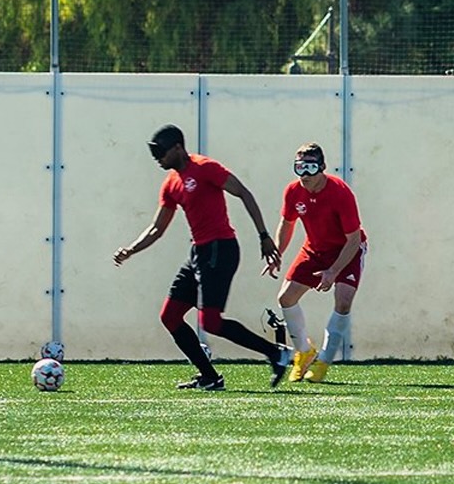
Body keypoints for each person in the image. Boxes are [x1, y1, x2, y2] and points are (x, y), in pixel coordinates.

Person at [113, 123, 291, 389]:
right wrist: (131, 249)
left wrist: (264, 235)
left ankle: (277, 353)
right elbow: (157, 228)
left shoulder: (205, 168)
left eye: (161, 153)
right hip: (198, 252)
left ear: (177, 148)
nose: (158, 159)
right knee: (170, 316)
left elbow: (243, 193)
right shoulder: (171, 183)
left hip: (221, 248)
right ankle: (210, 377)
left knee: (210, 321)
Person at [263, 142, 367, 383]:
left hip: (346, 250)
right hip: (315, 249)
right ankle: (304, 352)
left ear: (322, 168)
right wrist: (277, 253)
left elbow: (353, 240)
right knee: (285, 298)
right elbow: (287, 224)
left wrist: (333, 271)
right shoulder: (292, 191)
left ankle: (323, 361)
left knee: (343, 301)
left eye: (310, 167)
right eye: (299, 167)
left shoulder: (340, 192)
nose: (305, 175)